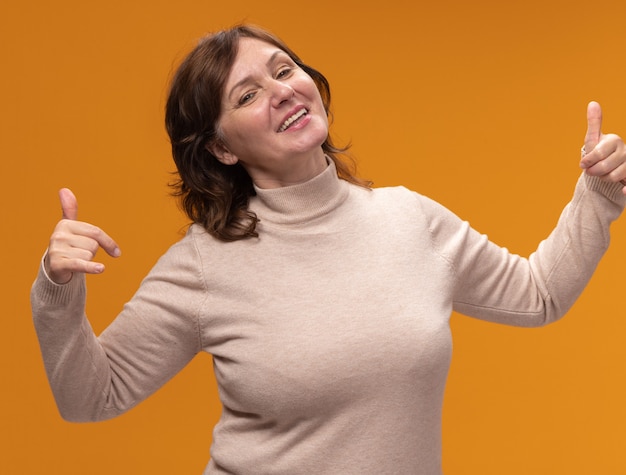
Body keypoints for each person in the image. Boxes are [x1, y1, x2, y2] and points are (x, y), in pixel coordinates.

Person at [31, 24, 626, 474]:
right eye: (246, 95)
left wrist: (597, 195)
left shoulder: (407, 218)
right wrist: (57, 292)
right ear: (221, 150)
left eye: (284, 69)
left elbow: (538, 295)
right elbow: (92, 398)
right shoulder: (204, 265)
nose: (282, 92)